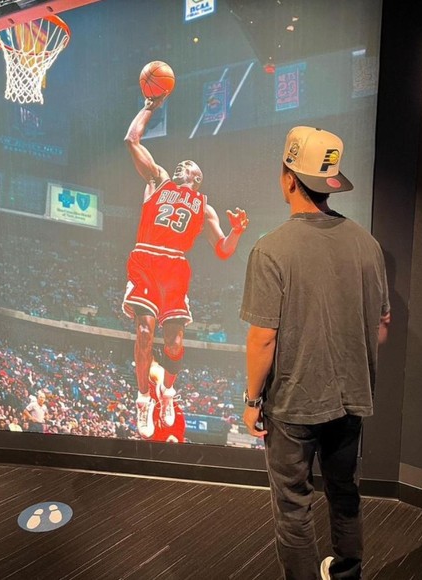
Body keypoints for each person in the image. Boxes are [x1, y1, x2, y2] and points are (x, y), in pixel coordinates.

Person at [240, 126, 391, 580]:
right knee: (345, 493)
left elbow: (263, 338)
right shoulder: (367, 244)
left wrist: (252, 400)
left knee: (293, 505)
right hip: (351, 399)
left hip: (293, 404)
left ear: (289, 178)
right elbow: (381, 328)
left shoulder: (270, 249)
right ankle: (346, 574)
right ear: (330, 182)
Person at [123, 93, 249, 440]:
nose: (182, 165)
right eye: (181, 163)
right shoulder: (158, 180)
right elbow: (132, 140)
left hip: (175, 268)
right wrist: (148, 107)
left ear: (197, 178)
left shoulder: (205, 207)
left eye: (189, 165)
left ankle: (167, 391)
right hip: (147, 258)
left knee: (175, 343)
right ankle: (144, 398)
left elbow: (223, 250)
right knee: (144, 332)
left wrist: (237, 232)